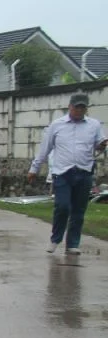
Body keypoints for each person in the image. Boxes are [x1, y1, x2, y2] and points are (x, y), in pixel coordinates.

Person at [28, 93, 107, 254]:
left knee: (79, 210)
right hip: (63, 172)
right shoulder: (57, 125)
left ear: (86, 109)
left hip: (84, 172)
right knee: (62, 206)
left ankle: (72, 244)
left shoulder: (94, 125)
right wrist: (34, 169)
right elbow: (45, 149)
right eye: (76, 107)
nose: (79, 110)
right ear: (70, 107)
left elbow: (99, 146)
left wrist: (102, 146)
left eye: (82, 107)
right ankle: (55, 239)